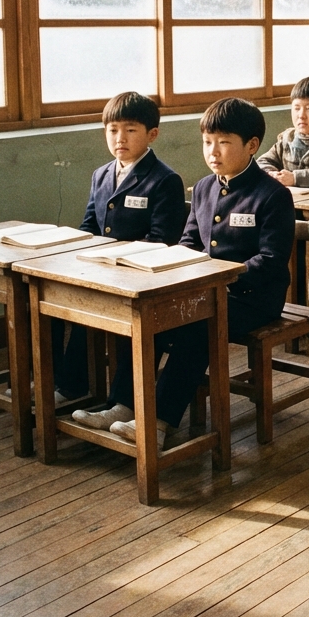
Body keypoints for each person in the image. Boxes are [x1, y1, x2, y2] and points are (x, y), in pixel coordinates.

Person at [72, 98, 294, 450]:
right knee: (149, 317)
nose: (213, 151)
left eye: (223, 142)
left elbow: (270, 259)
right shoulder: (205, 187)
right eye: (207, 142)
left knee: (194, 326)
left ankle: (159, 423)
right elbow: (189, 241)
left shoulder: (273, 195)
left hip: (252, 299)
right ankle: (123, 406)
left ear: (252, 145)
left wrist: (218, 277)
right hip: (204, 290)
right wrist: (172, 267)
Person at [52, 92, 186, 402]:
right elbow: (90, 226)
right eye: (112, 130)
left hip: (139, 277)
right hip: (102, 271)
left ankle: (115, 399)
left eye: (130, 129)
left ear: (152, 134)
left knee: (97, 307)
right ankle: (64, 384)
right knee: (55, 302)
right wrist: (78, 253)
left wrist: (113, 258)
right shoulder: (101, 175)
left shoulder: (165, 179)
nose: (119, 138)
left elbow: (161, 241)